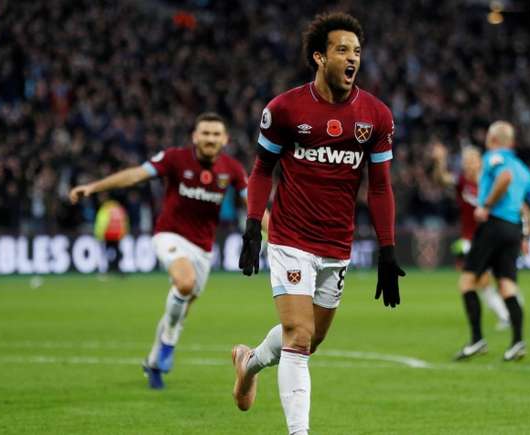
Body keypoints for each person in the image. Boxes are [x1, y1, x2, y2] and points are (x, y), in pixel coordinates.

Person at [231, 12, 404, 435]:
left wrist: (387, 249)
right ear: (319, 57)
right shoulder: (285, 109)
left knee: (311, 339)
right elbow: (261, 170)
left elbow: (380, 188)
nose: (352, 58)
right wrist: (254, 225)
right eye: (342, 50)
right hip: (290, 238)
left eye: (357, 51)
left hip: (336, 245)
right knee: (299, 336)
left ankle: (248, 363)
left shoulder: (375, 116)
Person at [69, 112, 248, 389]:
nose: (210, 138)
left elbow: (255, 206)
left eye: (215, 134)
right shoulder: (175, 158)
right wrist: (94, 187)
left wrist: (276, 236)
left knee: (182, 307)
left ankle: (154, 361)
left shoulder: (233, 169)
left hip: (203, 249)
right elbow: (135, 175)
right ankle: (166, 347)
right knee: (184, 282)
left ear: (224, 139)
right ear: (195, 136)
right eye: (205, 133)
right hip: (169, 235)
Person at [454, 121, 530, 362]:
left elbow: (504, 178)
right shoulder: (522, 168)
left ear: (492, 139)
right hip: (513, 230)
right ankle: (517, 342)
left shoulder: (494, 158)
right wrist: (527, 234)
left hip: (494, 225)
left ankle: (477, 340)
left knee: (466, 282)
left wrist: (486, 206)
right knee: (507, 286)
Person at [430, 142, 510, 330]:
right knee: (478, 278)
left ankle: (508, 309)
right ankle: (506, 313)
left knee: (487, 278)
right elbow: (440, 179)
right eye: (465, 161)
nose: (468, 164)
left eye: (471, 161)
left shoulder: (489, 182)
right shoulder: (461, 181)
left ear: (480, 162)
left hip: (492, 235)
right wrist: (440, 161)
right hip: (470, 238)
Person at [93, 196, 129, 279]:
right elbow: (124, 221)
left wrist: (98, 234)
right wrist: (124, 232)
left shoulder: (105, 209)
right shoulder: (119, 209)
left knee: (106, 253)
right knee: (117, 252)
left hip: (107, 234)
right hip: (117, 234)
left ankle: (107, 270)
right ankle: (118, 270)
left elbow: (102, 222)